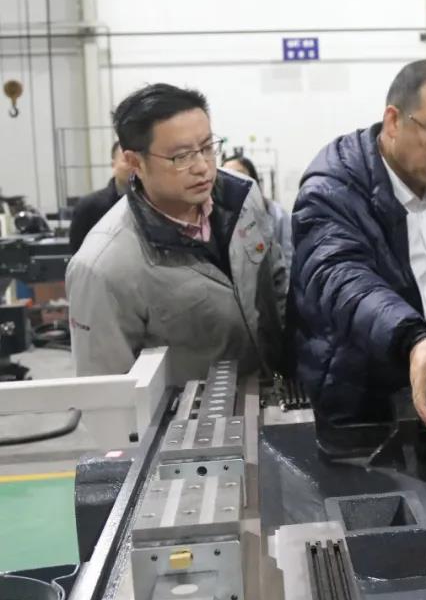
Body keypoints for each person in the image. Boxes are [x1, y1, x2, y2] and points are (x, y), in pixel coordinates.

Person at [290, 60, 426, 455]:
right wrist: (412, 338)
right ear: (394, 121)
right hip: (359, 401)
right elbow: (341, 277)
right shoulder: (331, 191)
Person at [66, 83, 286, 382]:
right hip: (193, 411)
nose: (202, 167)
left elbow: (276, 284)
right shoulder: (103, 267)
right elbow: (104, 392)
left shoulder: (242, 196)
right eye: (181, 157)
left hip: (271, 392)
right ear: (134, 162)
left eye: (207, 148)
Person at [222, 154, 293, 279]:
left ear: (253, 179)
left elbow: (288, 257)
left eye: (238, 174)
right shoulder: (218, 217)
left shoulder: (276, 213)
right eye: (226, 175)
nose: (233, 180)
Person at [68, 141, 133, 253]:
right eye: (127, 160)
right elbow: (77, 251)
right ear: (113, 164)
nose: (133, 166)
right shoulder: (89, 207)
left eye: (138, 161)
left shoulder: (155, 203)